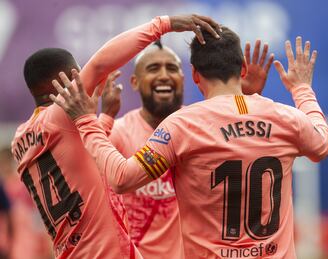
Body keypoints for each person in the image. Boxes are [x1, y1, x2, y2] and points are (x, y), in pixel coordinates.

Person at [51, 28, 328, 258]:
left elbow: (122, 178)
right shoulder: (285, 117)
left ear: (194, 75)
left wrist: (87, 121)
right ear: (243, 68)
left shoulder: (181, 126)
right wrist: (302, 89)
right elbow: (323, 145)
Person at [11, 14, 221, 258]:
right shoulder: (60, 118)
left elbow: (75, 165)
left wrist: (105, 119)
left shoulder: (20, 139)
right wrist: (164, 24)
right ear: (68, 80)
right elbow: (101, 63)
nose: (88, 81)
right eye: (81, 74)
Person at [100, 37, 274, 258]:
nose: (164, 75)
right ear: (134, 81)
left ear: (185, 78)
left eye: (172, 68)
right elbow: (87, 181)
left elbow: (245, 151)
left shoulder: (200, 125)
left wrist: (244, 99)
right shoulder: (118, 132)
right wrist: (103, 118)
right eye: (153, 68)